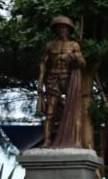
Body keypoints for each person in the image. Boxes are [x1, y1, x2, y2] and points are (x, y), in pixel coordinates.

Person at [37, 16, 86, 147]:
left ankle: (75, 140)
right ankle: (47, 140)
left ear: (69, 30)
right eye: (59, 27)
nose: (62, 30)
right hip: (52, 79)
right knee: (50, 111)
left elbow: (82, 63)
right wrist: (40, 83)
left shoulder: (74, 45)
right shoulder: (50, 45)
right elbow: (43, 64)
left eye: (64, 27)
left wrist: (71, 55)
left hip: (68, 79)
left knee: (73, 110)